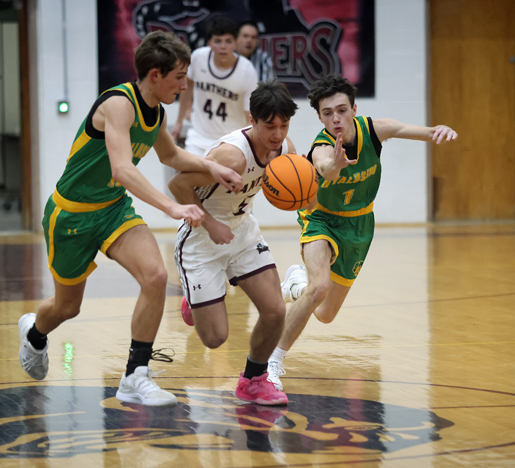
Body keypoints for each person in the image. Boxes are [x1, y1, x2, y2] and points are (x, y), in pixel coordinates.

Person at [17, 31, 242, 407]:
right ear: (155, 75)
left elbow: (171, 156)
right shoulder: (118, 104)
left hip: (113, 210)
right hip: (71, 215)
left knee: (155, 277)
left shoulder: (158, 112)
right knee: (67, 308)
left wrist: (212, 167)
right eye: (178, 77)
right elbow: (122, 169)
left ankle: (135, 375)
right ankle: (35, 333)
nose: (184, 86)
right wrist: (171, 207)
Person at [267, 74, 458, 391]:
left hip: (359, 225)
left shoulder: (374, 130)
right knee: (319, 287)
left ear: (354, 109)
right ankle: (272, 362)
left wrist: (438, 131)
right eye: (328, 113)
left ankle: (296, 285)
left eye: (341, 110)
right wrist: (334, 165)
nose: (336, 118)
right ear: (320, 117)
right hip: (321, 219)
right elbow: (324, 167)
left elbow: (404, 129)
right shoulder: (322, 147)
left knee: (325, 314)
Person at [169, 79, 298, 405]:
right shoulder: (232, 156)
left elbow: (301, 182)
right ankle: (194, 299)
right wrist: (210, 224)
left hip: (242, 232)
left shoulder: (285, 149)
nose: (278, 134)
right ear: (252, 120)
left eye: (284, 125)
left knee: (275, 311)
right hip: (202, 238)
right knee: (215, 338)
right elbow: (178, 186)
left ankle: (253, 381)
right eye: (270, 126)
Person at [171, 16, 259, 156]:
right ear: (209, 43)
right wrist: (179, 121)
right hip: (198, 138)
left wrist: (249, 143)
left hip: (231, 142)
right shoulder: (198, 57)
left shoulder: (247, 71)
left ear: (236, 43)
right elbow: (188, 85)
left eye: (228, 41)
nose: (223, 46)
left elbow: (250, 115)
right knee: (187, 168)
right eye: (218, 41)